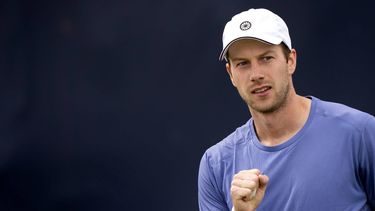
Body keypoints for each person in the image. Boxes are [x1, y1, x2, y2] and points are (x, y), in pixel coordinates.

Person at [198, 8, 375, 211]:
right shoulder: (215, 164)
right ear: (231, 74)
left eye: (266, 58)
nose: (256, 74)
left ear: (290, 61)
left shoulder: (359, 132)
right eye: (243, 63)